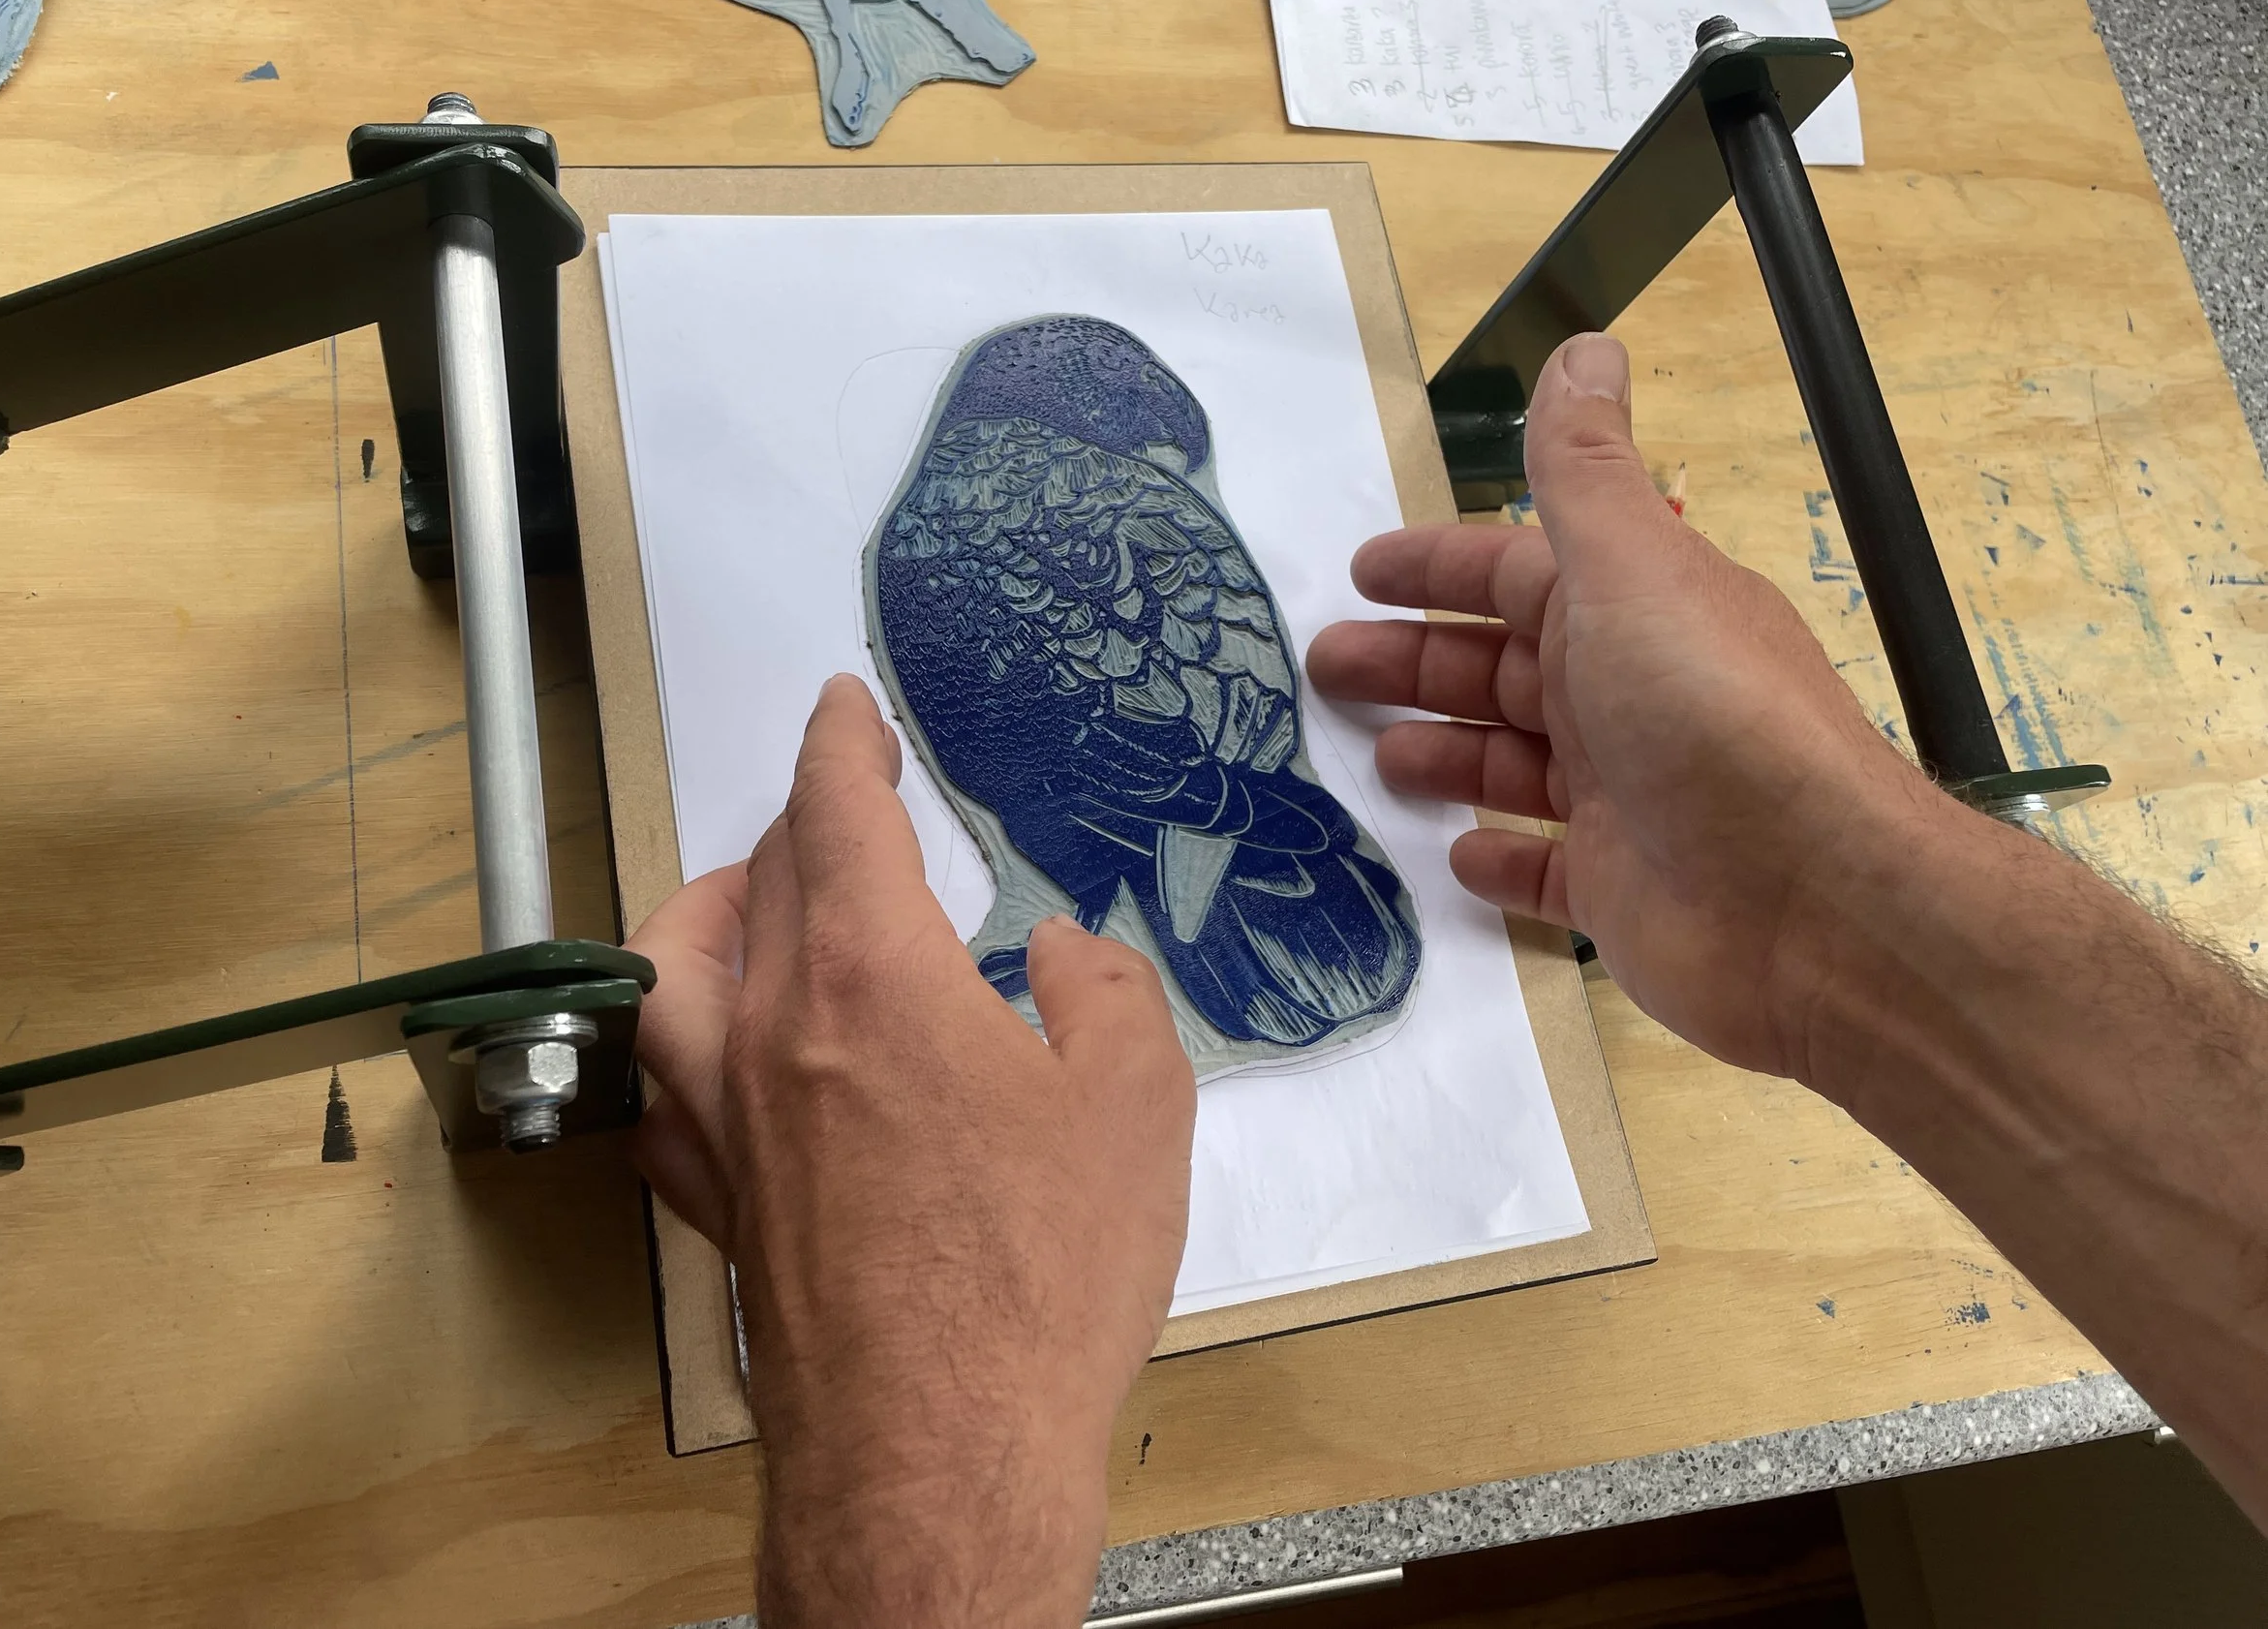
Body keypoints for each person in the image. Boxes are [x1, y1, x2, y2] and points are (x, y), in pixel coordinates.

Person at [626, 333, 2268, 1626]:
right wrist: (1839, 902)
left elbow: (1024, 742)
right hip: (1231, 809)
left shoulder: (938, 531)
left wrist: (917, 1451)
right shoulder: (1118, 516)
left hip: (1138, 813)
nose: (1176, 478)